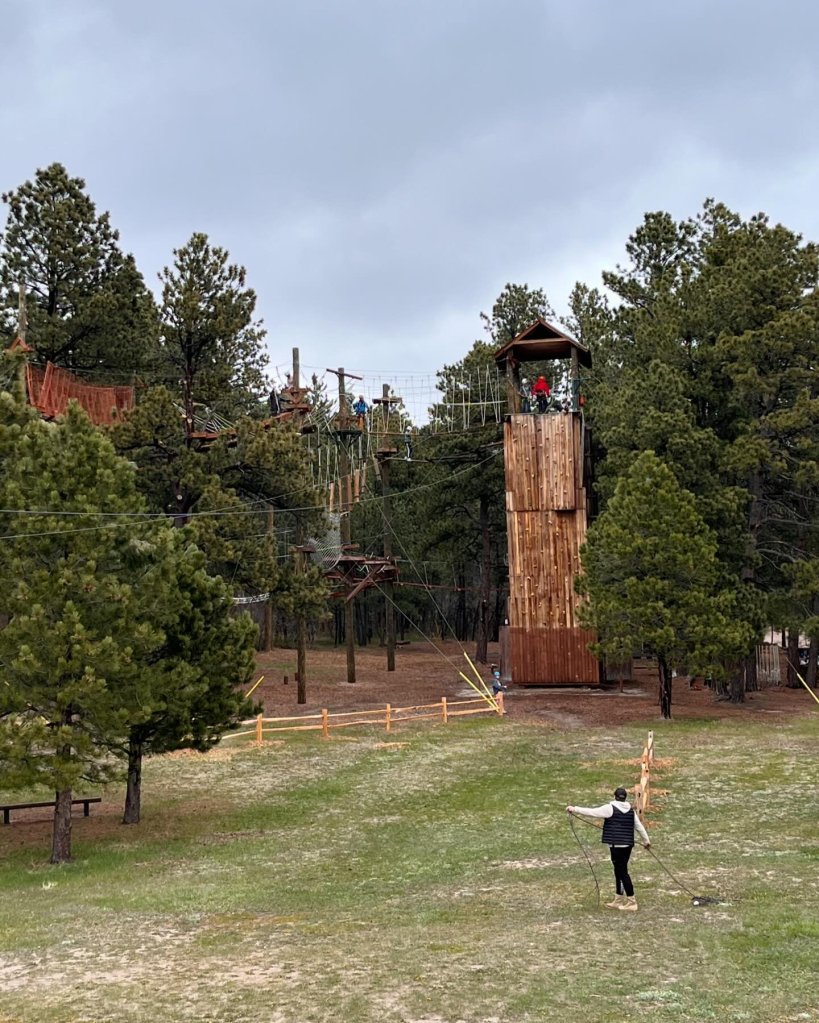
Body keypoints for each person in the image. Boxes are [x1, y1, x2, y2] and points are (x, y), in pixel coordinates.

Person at [567, 787, 651, 911]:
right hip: (627, 846)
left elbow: (592, 812)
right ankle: (618, 899)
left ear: (614, 796)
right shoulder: (631, 811)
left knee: (622, 872)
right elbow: (639, 827)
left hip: (616, 846)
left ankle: (632, 902)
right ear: (625, 798)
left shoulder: (610, 808)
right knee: (619, 871)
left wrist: (574, 809)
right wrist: (646, 841)